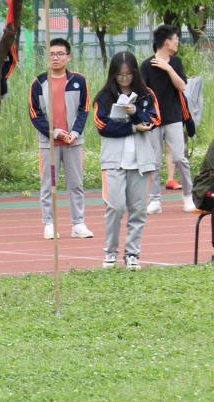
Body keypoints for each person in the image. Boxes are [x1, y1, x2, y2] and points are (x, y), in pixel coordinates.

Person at [93, 52, 158, 270]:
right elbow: (103, 127)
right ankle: (110, 252)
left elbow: (154, 119)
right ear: (113, 74)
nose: (124, 79)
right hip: (113, 160)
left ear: (135, 74)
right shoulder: (104, 97)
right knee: (116, 206)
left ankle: (132, 254)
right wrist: (132, 127)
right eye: (120, 75)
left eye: (128, 75)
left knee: (138, 209)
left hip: (141, 161)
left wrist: (136, 112)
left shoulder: (147, 95)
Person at [29, 37, 91, 239]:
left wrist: (75, 132)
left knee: (76, 184)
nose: (55, 58)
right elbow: (34, 113)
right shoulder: (39, 83)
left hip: (73, 142)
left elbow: (84, 109)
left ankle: (78, 223)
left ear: (68, 57)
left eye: (60, 54)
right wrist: (54, 132)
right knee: (48, 185)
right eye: (52, 54)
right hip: (49, 143)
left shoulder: (78, 81)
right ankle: (49, 224)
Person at [142, 24, 195, 214]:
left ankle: (188, 197)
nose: (177, 42)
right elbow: (142, 92)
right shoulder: (146, 65)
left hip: (174, 117)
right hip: (154, 120)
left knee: (180, 158)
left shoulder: (176, 62)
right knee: (154, 161)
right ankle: (155, 200)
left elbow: (182, 86)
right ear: (166, 42)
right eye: (175, 39)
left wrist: (168, 69)